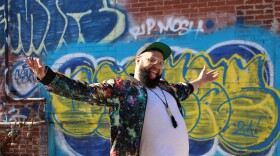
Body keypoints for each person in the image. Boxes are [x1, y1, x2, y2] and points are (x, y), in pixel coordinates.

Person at [24, 42, 219, 156]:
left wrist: (200, 81)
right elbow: (83, 91)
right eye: (152, 59)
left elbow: (185, 89)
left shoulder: (167, 88)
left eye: (161, 63)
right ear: (138, 60)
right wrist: (47, 76)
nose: (157, 65)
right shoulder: (123, 88)